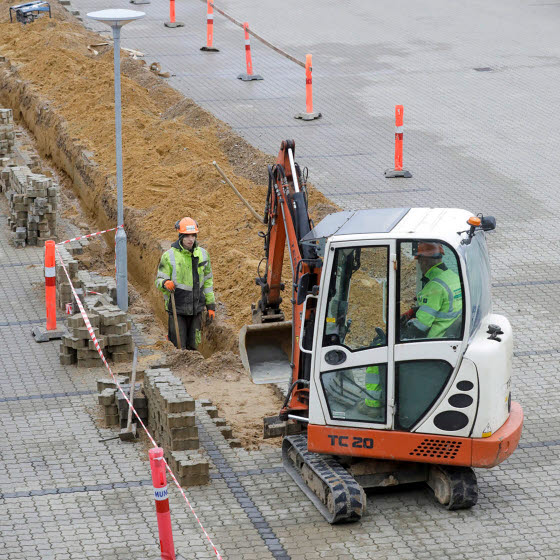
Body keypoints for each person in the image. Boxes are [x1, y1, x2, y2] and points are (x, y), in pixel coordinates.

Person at [155, 217, 215, 350]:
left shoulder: (203, 255)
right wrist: (165, 282)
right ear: (181, 236)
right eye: (187, 236)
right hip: (178, 309)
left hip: (197, 310)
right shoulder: (169, 256)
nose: (190, 239)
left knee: (194, 347)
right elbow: (158, 280)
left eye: (193, 235)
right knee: (179, 347)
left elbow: (208, 282)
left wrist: (211, 305)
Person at [401, 242, 463, 339]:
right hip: (450, 330)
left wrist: (403, 336)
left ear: (424, 261)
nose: (420, 266)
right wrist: (414, 311)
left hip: (436, 337)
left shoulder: (434, 286)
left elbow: (421, 325)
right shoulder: (453, 277)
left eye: (419, 262)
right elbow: (442, 307)